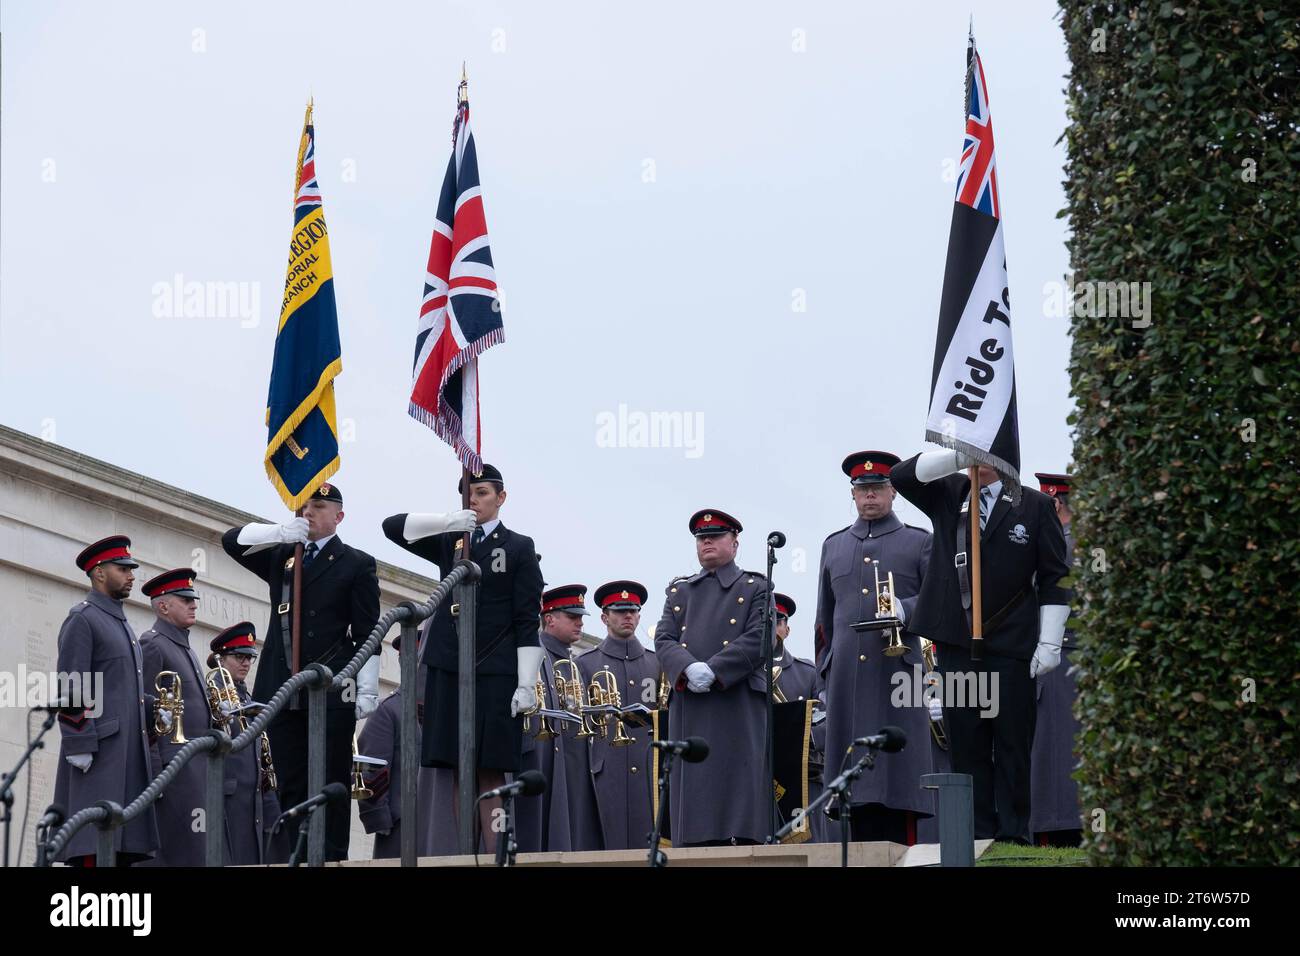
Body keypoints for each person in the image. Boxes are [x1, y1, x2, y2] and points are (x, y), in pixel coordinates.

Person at [891, 450, 1070, 844]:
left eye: (988, 447)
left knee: (1012, 744)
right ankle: (977, 838)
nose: (981, 455)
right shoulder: (949, 492)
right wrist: (955, 454)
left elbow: (1057, 576)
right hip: (956, 644)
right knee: (967, 744)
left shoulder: (1035, 505)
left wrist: (1050, 641)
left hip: (1012, 644)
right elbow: (901, 475)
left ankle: (1014, 836)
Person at [381, 463, 543, 853]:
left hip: (495, 670)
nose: (474, 499)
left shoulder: (519, 547)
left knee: (489, 771)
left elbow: (526, 619)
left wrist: (526, 682)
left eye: (483, 492)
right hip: (450, 668)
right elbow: (392, 527)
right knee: (457, 768)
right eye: (468, 493)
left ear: (501, 497)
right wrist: (447, 520)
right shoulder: (454, 540)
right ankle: (464, 853)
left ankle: (496, 855)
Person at [222, 481, 381, 860]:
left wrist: (368, 686)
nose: (308, 512)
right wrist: (278, 532)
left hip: (330, 688)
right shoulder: (284, 555)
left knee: (330, 782)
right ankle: (293, 856)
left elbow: (367, 631)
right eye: (304, 505)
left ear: (339, 516)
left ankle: (328, 856)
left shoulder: (356, 563)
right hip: (282, 686)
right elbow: (231, 541)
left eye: (319, 507)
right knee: (289, 781)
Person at [815, 451, 936, 844]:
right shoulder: (833, 546)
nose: (870, 496)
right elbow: (823, 622)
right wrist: (825, 674)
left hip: (898, 674)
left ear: (893, 491)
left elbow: (939, 601)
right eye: (862, 489)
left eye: (877, 488)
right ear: (852, 494)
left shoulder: (919, 541)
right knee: (853, 787)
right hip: (847, 678)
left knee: (898, 779)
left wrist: (908, 608)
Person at [654, 509, 770, 846]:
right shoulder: (680, 592)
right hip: (691, 700)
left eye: (716, 536)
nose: (706, 541)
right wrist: (687, 667)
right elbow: (663, 638)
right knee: (695, 793)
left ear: (734, 543)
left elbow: (760, 637)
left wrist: (716, 669)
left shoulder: (755, 587)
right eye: (701, 537)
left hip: (736, 700)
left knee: (738, 788)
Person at [52, 535, 160, 865]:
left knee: (121, 851)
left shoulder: (120, 622)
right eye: (122, 568)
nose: (131, 575)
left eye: (131, 569)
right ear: (99, 573)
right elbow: (72, 684)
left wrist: (155, 708)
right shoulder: (83, 618)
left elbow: (118, 688)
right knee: (94, 851)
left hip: (127, 756)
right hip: (100, 756)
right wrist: (79, 742)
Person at [517, 584, 601, 852]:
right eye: (572, 616)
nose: (579, 623)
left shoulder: (573, 664)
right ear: (549, 618)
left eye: (580, 617)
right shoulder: (535, 653)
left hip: (570, 762)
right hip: (540, 759)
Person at [577, 580, 659, 851]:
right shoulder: (585, 664)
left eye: (633, 610)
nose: (628, 616)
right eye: (619, 610)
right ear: (604, 617)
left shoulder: (656, 663)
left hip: (649, 767)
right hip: (604, 769)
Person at [139, 567, 212, 866]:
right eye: (185, 599)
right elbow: (143, 712)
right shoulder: (153, 643)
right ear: (163, 605)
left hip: (194, 768)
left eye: (193, 598)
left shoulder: (183, 645)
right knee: (174, 852)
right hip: (172, 769)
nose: (193, 604)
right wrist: (156, 773)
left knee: (195, 852)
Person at [1029, 471, 1083, 846]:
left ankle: (1061, 831)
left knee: (1056, 749)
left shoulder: (1064, 545)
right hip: (1059, 655)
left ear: (1055, 504)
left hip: (1063, 655)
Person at [207, 622, 283, 865]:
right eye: (239, 656)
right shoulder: (212, 691)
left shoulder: (246, 697)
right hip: (226, 796)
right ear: (221, 658)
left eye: (250, 657)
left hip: (252, 799)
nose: (246, 663)